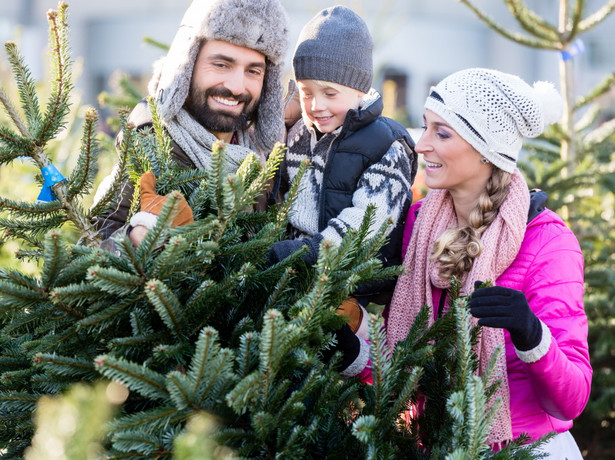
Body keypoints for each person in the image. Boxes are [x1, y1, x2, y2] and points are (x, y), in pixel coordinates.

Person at [381, 68, 591, 456]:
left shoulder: (548, 242)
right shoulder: (419, 224)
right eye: (425, 127)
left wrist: (532, 334)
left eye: (441, 133)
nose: (421, 144)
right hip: (437, 445)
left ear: (485, 149)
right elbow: (402, 352)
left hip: (526, 449)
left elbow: (570, 401)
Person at [267, 6, 418, 340]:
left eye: (330, 93)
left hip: (354, 291)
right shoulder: (297, 135)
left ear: (359, 89)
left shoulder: (387, 145)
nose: (317, 105)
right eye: (306, 93)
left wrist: (303, 253)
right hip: (290, 281)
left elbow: (370, 223)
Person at [94, 0, 290, 247]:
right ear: (185, 67)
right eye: (221, 65)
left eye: (253, 71)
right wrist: (134, 239)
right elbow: (88, 248)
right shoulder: (148, 150)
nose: (237, 87)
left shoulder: (265, 160)